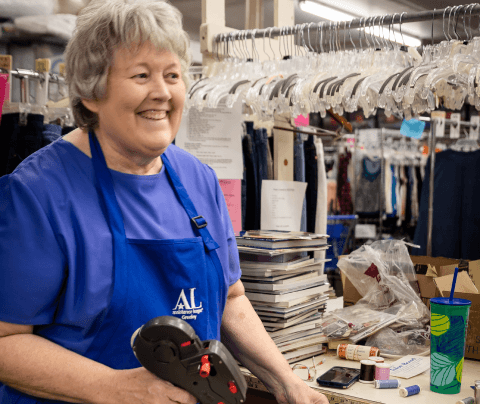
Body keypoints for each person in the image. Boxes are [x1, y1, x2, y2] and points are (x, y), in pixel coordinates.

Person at [0, 1, 329, 404]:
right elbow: (6, 342)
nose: (162, 92)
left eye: (173, 75)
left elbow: (231, 298)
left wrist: (286, 381)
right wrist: (114, 388)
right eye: (141, 75)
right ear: (91, 91)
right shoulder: (37, 194)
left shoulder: (199, 180)